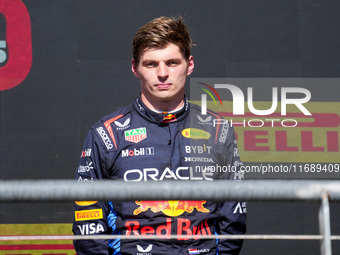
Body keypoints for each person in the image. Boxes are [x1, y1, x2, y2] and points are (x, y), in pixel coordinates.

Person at [73, 16, 246, 255]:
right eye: (151, 64)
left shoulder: (219, 130)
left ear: (190, 64)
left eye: (172, 62)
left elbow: (233, 219)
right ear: (135, 68)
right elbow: (88, 222)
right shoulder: (106, 134)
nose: (162, 73)